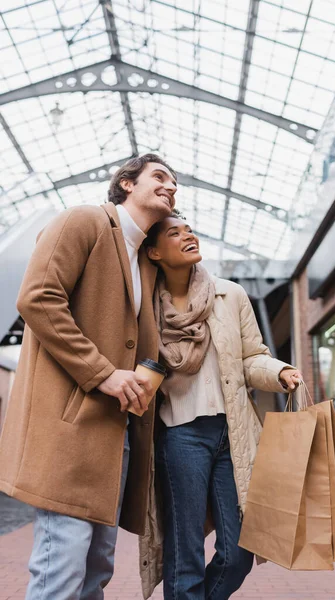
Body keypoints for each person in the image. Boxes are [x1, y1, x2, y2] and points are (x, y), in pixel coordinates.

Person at [0, 154, 177, 599]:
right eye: (159, 177)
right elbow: (38, 298)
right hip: (71, 432)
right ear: (125, 183)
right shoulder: (83, 221)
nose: (170, 186)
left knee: (96, 570)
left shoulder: (144, 260)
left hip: (114, 436)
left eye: (175, 182)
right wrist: (104, 374)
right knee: (61, 567)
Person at [139, 212, 303, 600]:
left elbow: (252, 357)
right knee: (186, 550)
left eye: (190, 229)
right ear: (154, 252)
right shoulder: (144, 307)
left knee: (239, 551)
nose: (188, 236)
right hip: (180, 436)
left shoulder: (230, 295)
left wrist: (278, 372)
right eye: (174, 233)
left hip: (235, 435)